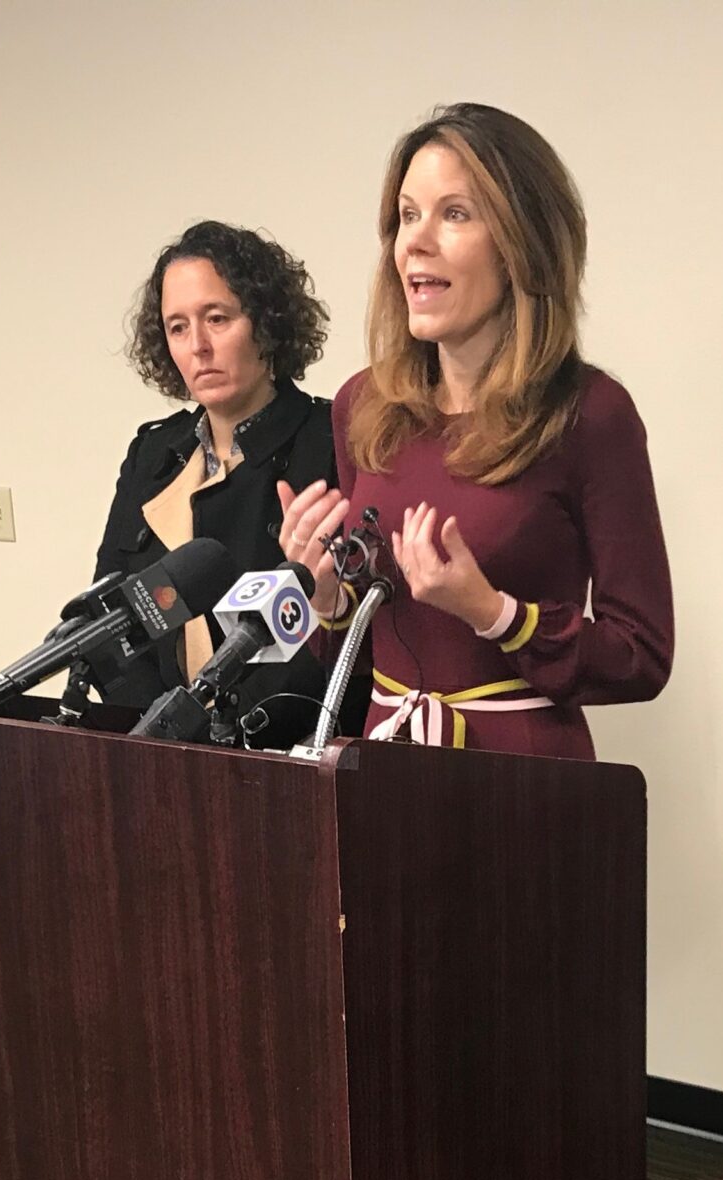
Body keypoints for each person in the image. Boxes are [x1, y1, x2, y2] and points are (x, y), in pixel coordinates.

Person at [276, 104, 673, 758]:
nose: (416, 242)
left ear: (522, 243)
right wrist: (323, 593)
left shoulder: (592, 415)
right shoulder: (361, 404)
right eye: (407, 215)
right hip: (382, 772)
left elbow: (642, 655)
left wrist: (495, 614)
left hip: (522, 789)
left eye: (454, 214)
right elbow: (362, 627)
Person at [91, 221, 342, 749]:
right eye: (177, 327)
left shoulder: (332, 442)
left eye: (217, 319)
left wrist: (222, 739)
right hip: (155, 750)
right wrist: (156, 732)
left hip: (279, 754)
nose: (198, 346)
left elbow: (332, 640)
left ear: (267, 324)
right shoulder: (152, 455)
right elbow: (107, 623)